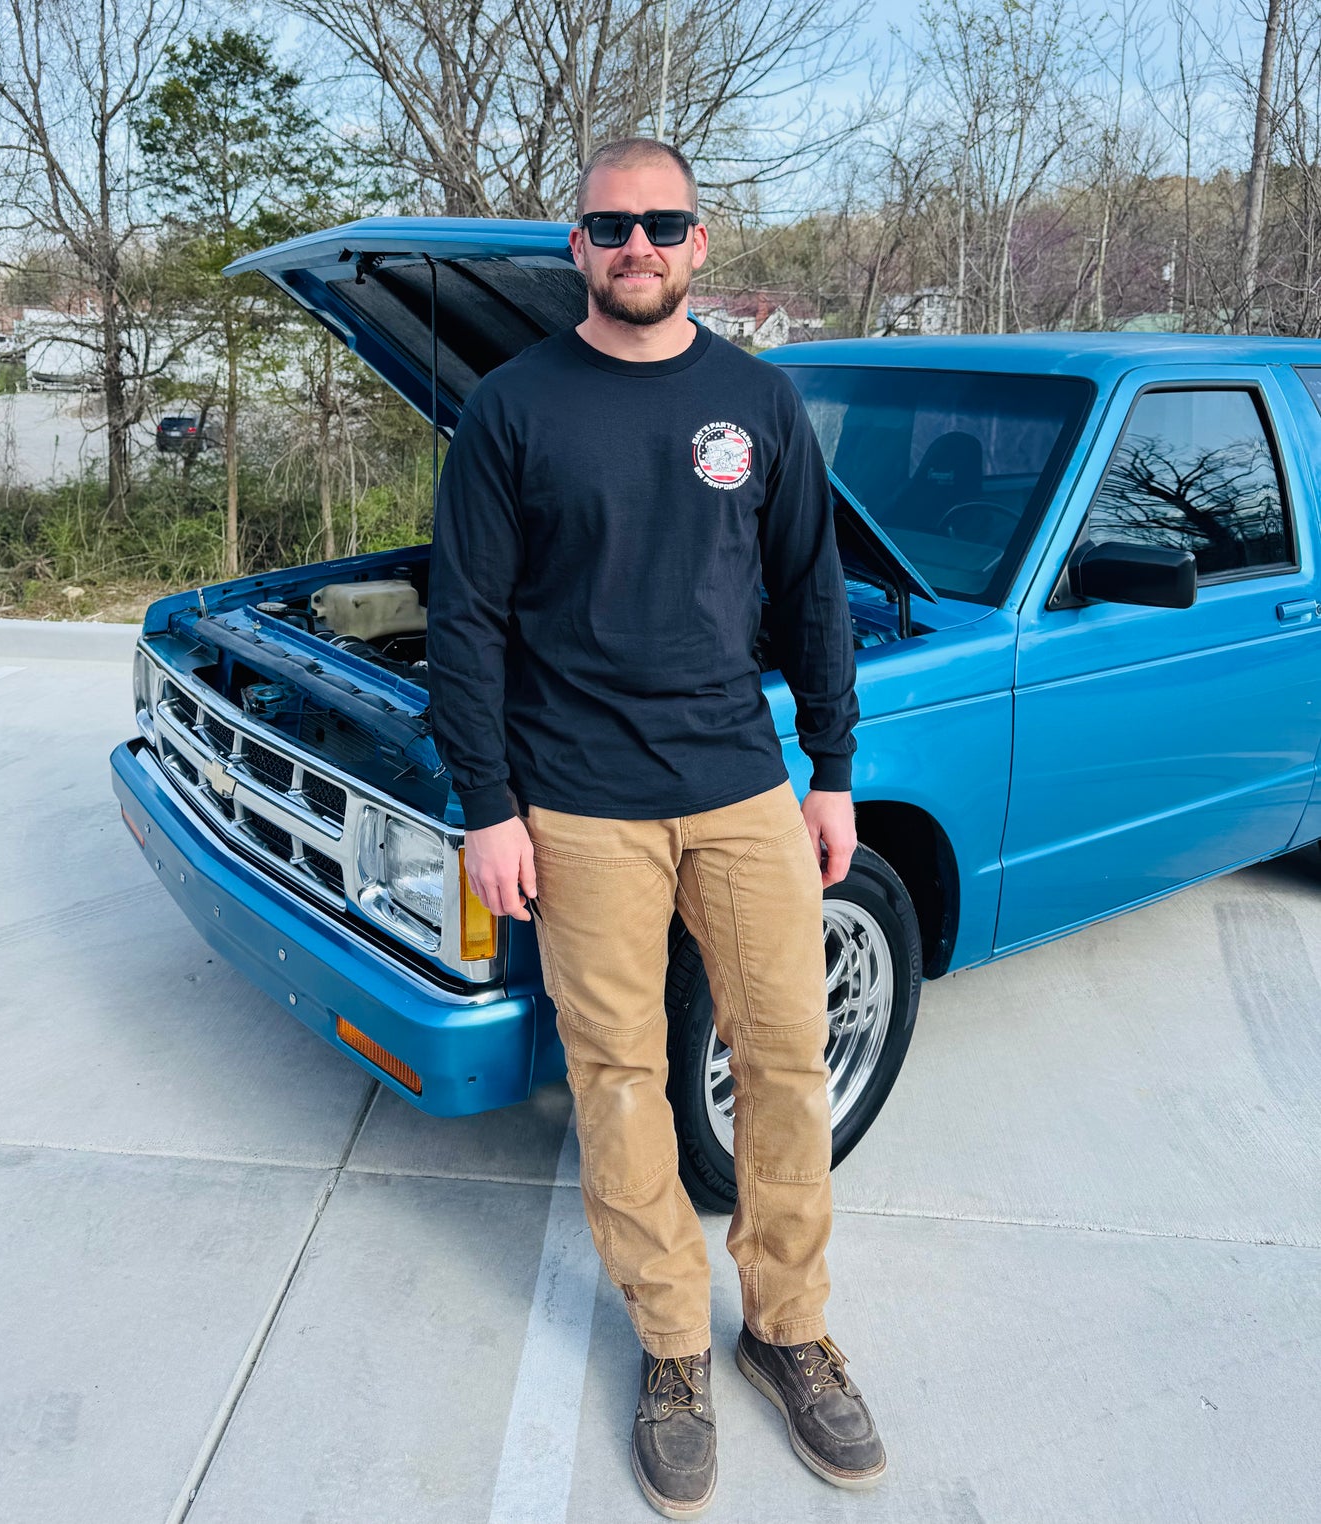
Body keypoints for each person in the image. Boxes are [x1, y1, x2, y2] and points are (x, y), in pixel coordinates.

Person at [425, 136, 886, 1517]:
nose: (636, 247)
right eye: (609, 227)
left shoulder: (754, 399)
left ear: (699, 244)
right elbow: (465, 619)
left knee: (788, 1059)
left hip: (741, 788)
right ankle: (674, 1346)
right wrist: (486, 806)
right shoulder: (513, 408)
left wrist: (831, 768)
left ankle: (787, 1330)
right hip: (576, 807)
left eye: (661, 225)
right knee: (620, 1078)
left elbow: (811, 589)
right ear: (575, 246)